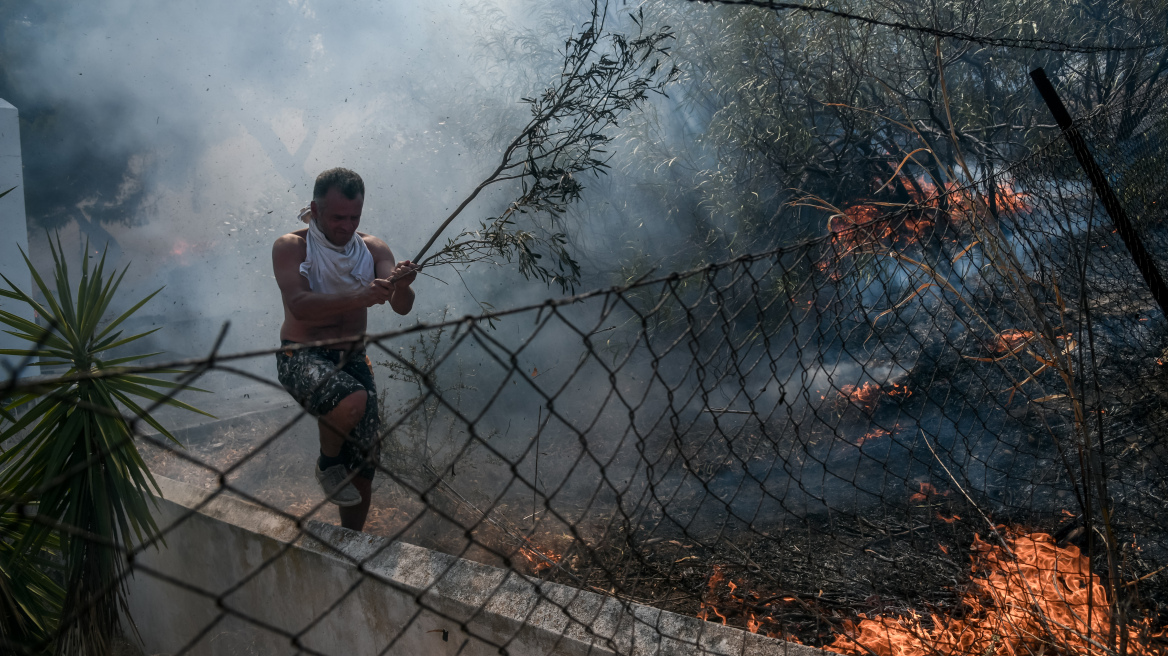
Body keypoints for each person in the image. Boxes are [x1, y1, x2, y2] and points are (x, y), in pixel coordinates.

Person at [272, 167, 418, 531]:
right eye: (338, 217)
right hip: (301, 354)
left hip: (353, 357)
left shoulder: (373, 248)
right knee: (352, 400)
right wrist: (360, 296)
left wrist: (402, 285)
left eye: (354, 217)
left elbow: (401, 306)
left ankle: (351, 540)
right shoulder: (292, 246)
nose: (347, 226)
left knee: (365, 461)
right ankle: (327, 463)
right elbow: (300, 306)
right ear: (315, 209)